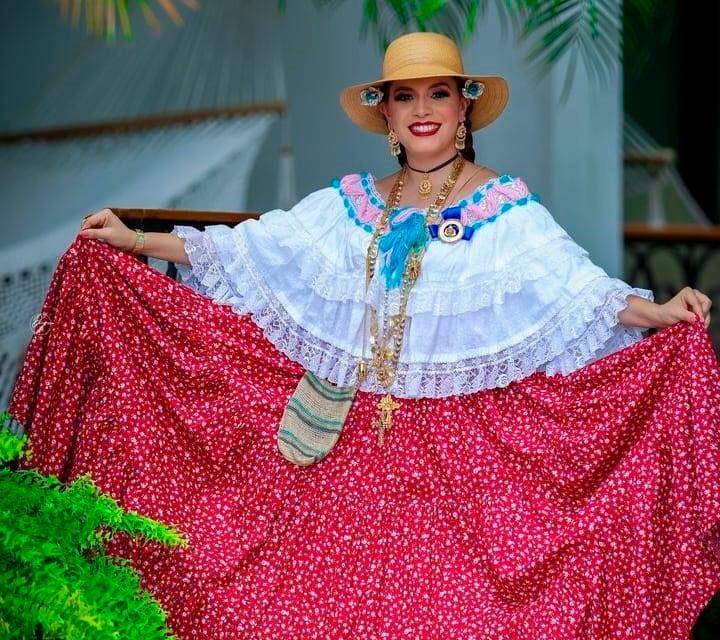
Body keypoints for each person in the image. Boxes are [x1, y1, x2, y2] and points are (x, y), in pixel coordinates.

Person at [9, 31, 720, 640]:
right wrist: (135, 240)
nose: (421, 111)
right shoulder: (349, 204)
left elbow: (577, 291)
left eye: (436, 94)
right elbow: (252, 251)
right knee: (277, 606)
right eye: (404, 97)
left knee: (459, 617)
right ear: (386, 113)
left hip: (454, 469)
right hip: (338, 453)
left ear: (463, 107)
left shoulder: (507, 208)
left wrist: (658, 313)